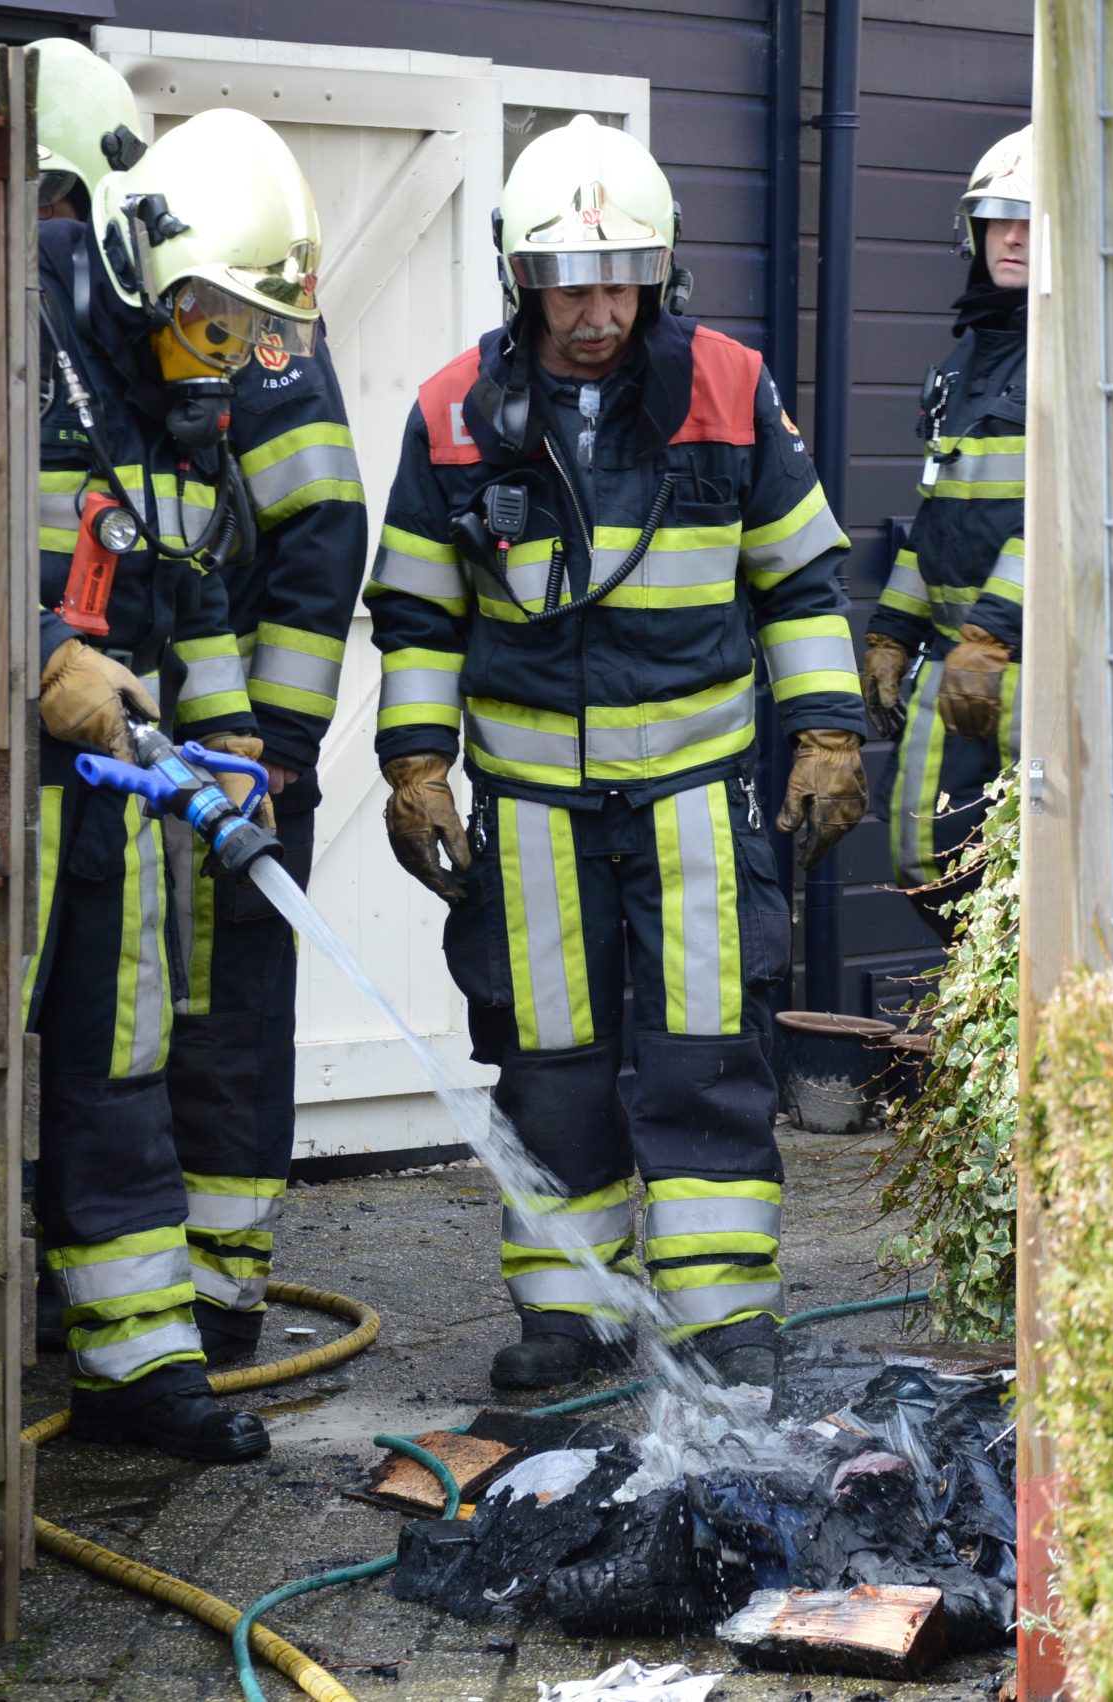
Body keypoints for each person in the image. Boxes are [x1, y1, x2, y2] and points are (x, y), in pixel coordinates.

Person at [367, 116, 869, 1394]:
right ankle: (568, 1313)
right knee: (551, 1070)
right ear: (519, 277)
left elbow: (798, 583)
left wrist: (824, 732)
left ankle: (721, 1316)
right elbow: (418, 614)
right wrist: (415, 765)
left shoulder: (731, 388)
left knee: (707, 1058)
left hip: (695, 800)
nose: (597, 312)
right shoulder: (452, 413)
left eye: (621, 280)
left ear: (661, 270)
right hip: (534, 809)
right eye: (568, 284)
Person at [31, 39, 370, 1370]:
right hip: (35, 773)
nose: (232, 356)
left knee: (162, 1055)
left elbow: (219, 577)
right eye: (216, 325)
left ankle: (175, 1333)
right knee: (45, 1066)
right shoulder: (40, 332)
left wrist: (250, 745)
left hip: (167, 781)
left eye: (250, 332)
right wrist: (43, 654)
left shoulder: (207, 360)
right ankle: (77, 1330)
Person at [862, 125, 1031, 937]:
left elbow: (1073, 521)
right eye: (999, 219)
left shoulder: (1085, 354)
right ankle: (983, 998)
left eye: (1032, 218)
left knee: (1020, 870)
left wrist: (991, 635)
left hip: (1032, 663)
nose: (1013, 237)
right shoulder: (962, 365)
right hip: (958, 659)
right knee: (922, 852)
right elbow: (937, 512)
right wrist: (891, 633)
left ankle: (1022, 1006)